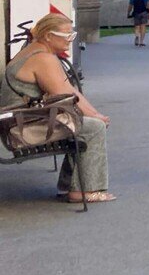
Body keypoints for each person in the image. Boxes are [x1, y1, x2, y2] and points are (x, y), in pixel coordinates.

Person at [2, 13, 114, 203]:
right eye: (66, 35)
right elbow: (66, 96)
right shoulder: (43, 59)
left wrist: (95, 114)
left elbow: (68, 90)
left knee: (88, 121)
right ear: (48, 36)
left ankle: (72, 185)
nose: (70, 40)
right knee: (93, 128)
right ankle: (83, 191)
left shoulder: (34, 51)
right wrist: (97, 118)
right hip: (23, 128)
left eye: (72, 34)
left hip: (17, 122)